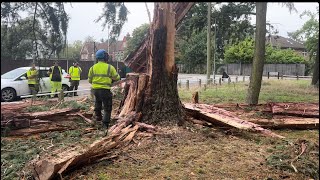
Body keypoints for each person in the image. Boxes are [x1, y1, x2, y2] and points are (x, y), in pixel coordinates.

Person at [88, 49, 120, 129]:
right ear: (105, 57)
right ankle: (105, 125)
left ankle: (98, 118)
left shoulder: (92, 68)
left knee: (98, 103)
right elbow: (117, 78)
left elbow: (89, 80)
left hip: (95, 90)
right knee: (107, 107)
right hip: (105, 90)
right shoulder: (110, 67)